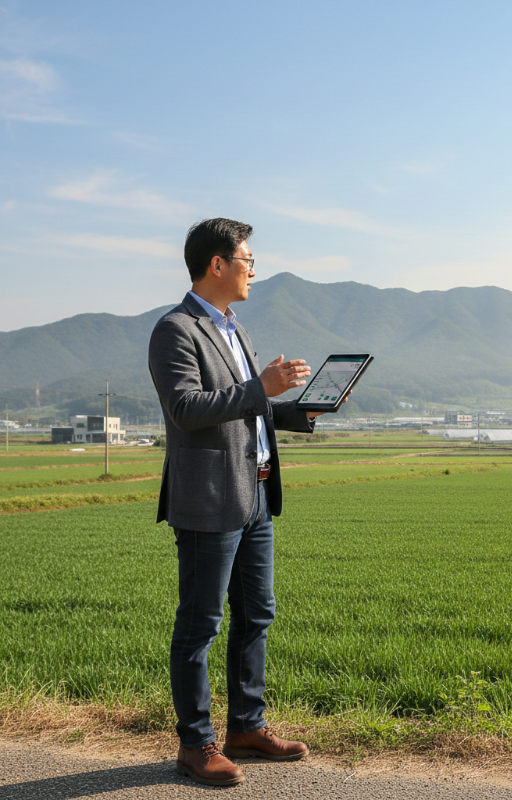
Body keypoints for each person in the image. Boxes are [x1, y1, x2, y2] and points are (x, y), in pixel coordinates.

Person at [149, 218, 323, 787]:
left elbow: (251, 408)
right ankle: (196, 744)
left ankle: (247, 727)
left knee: (256, 614)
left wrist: (297, 412)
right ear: (217, 264)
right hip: (209, 498)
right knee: (200, 624)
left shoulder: (235, 329)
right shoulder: (175, 330)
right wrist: (261, 388)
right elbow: (187, 409)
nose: (253, 270)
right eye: (247, 259)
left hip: (254, 494)